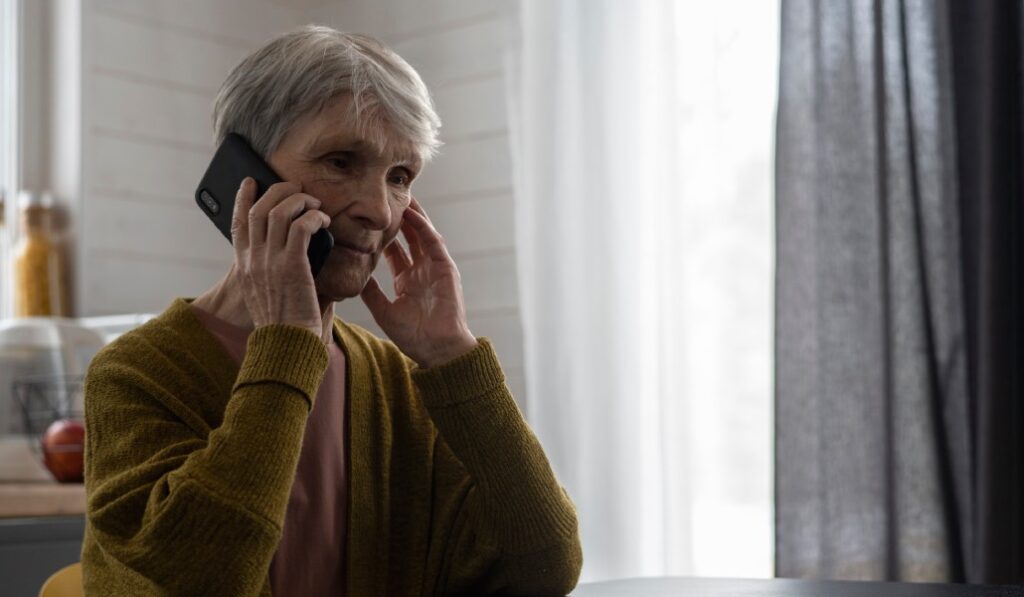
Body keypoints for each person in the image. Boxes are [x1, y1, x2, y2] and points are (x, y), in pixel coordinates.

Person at [80, 25, 582, 596]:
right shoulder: (135, 375)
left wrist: (453, 358)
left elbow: (545, 567)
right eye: (341, 161)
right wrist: (287, 345)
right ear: (243, 173)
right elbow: (205, 580)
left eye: (400, 177)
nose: (380, 211)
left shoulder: (397, 383)